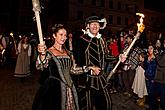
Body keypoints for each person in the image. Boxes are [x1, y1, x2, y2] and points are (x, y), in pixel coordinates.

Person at [32, 24, 99, 110]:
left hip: (71, 89)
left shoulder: (68, 53)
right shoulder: (48, 52)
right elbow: (40, 66)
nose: (63, 37)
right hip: (55, 90)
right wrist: (42, 55)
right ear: (54, 36)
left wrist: (89, 68)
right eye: (61, 34)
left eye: (65, 35)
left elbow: (73, 70)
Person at [73, 16, 121, 110]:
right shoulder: (81, 40)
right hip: (86, 80)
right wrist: (89, 69)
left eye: (97, 24)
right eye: (92, 24)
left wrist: (118, 57)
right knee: (87, 106)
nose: (95, 26)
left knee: (106, 104)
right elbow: (77, 61)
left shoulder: (102, 40)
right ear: (88, 26)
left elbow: (106, 56)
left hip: (100, 78)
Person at [154, 39, 165, 110]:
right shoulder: (161, 51)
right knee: (158, 95)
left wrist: (157, 54)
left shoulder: (161, 52)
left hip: (162, 78)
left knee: (163, 96)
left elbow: (161, 63)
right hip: (159, 77)